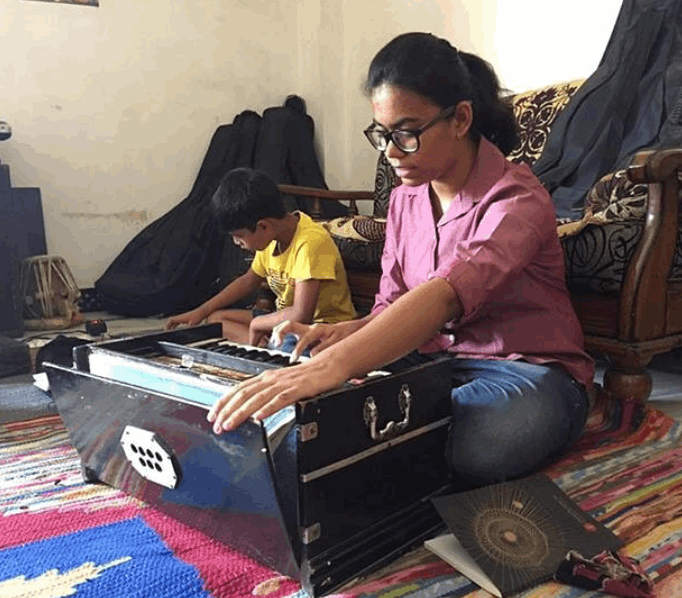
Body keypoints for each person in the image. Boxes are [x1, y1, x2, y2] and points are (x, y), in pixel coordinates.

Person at [207, 32, 596, 487]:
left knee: (480, 439)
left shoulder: (517, 199)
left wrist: (332, 367)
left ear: (461, 118)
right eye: (383, 135)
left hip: (521, 371)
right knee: (303, 366)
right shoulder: (404, 201)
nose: (391, 152)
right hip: (429, 360)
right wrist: (336, 334)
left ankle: (562, 413)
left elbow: (446, 295)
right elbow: (392, 310)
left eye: (407, 133)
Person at [165, 167, 356, 349]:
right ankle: (262, 346)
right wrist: (202, 311)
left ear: (263, 226)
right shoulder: (272, 237)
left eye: (239, 236)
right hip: (284, 321)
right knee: (216, 319)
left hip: (320, 327)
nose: (236, 242)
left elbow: (301, 315)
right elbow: (248, 280)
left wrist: (259, 323)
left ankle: (264, 346)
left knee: (289, 348)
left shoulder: (310, 243)